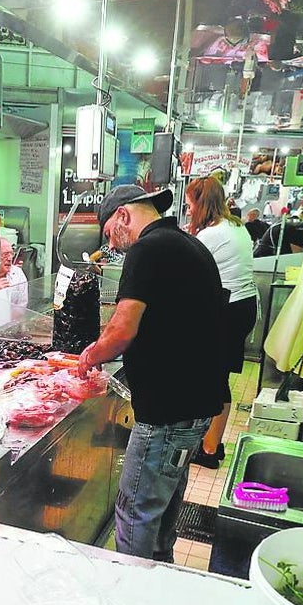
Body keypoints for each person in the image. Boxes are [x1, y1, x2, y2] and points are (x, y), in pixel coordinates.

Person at [77, 185, 227, 562]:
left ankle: (131, 594)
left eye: (111, 232)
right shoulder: (186, 244)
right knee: (162, 508)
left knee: (134, 511)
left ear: (124, 216)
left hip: (167, 412)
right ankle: (161, 573)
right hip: (193, 407)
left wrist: (89, 357)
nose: (113, 243)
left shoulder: (148, 249)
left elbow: (122, 330)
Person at [184, 177, 258, 468]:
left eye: (190, 204)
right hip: (243, 307)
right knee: (219, 377)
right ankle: (212, 441)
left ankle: (210, 449)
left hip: (228, 310)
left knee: (214, 380)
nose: (189, 210)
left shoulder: (210, 236)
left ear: (202, 204)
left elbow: (188, 277)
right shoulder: (236, 226)